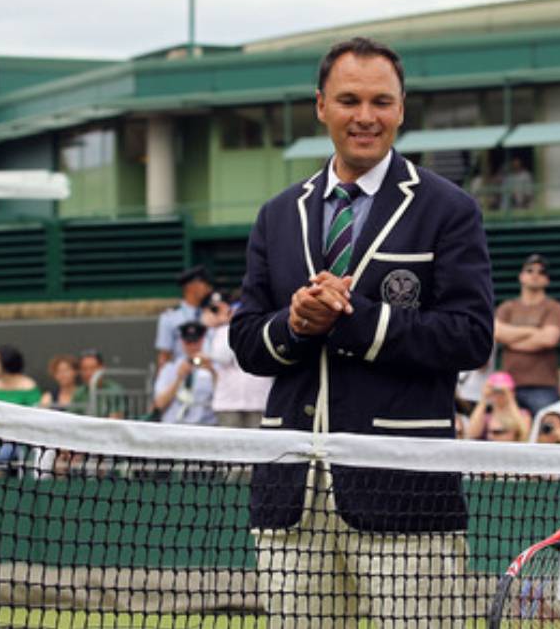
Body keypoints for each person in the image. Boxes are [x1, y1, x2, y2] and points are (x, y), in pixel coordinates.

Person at [229, 36, 494, 625]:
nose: (366, 117)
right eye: (350, 100)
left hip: (404, 487)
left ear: (402, 108)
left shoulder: (448, 208)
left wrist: (359, 320)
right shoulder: (279, 213)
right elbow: (247, 340)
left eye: (382, 101)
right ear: (321, 105)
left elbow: (470, 337)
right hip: (291, 491)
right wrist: (295, 323)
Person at [494, 254, 560, 416]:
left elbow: (549, 339)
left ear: (547, 280)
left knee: (545, 432)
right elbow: (497, 333)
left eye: (541, 272)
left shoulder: (554, 307)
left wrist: (511, 339)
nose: (535, 274)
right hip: (508, 385)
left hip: (543, 386)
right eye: (530, 270)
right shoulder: (507, 307)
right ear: (521, 276)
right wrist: (532, 331)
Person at [201, 291, 272, 428]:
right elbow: (222, 357)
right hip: (228, 403)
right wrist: (232, 326)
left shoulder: (263, 326)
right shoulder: (222, 330)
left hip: (259, 401)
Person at [152, 321, 217, 425]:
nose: (192, 346)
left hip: (203, 425)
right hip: (175, 424)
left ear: (202, 340)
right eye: (188, 342)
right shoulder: (170, 368)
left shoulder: (212, 366)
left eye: (195, 342)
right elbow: (159, 404)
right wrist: (179, 378)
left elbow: (223, 398)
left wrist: (213, 372)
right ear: (182, 342)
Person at [154, 265, 214, 372]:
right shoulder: (170, 317)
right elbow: (165, 356)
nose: (208, 288)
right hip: (182, 374)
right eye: (203, 283)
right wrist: (162, 384)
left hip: (209, 374)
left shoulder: (213, 315)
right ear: (190, 286)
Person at [466, 372, 531, 442]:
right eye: (495, 392)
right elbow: (471, 434)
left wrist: (510, 397)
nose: (499, 395)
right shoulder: (486, 417)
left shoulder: (523, 414)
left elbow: (524, 434)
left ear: (512, 393)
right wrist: (484, 399)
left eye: (502, 392)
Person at [74, 349, 126, 419]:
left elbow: (116, 420)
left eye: (92, 368)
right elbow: (72, 417)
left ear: (102, 368)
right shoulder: (79, 392)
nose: (88, 373)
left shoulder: (114, 390)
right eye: (84, 369)